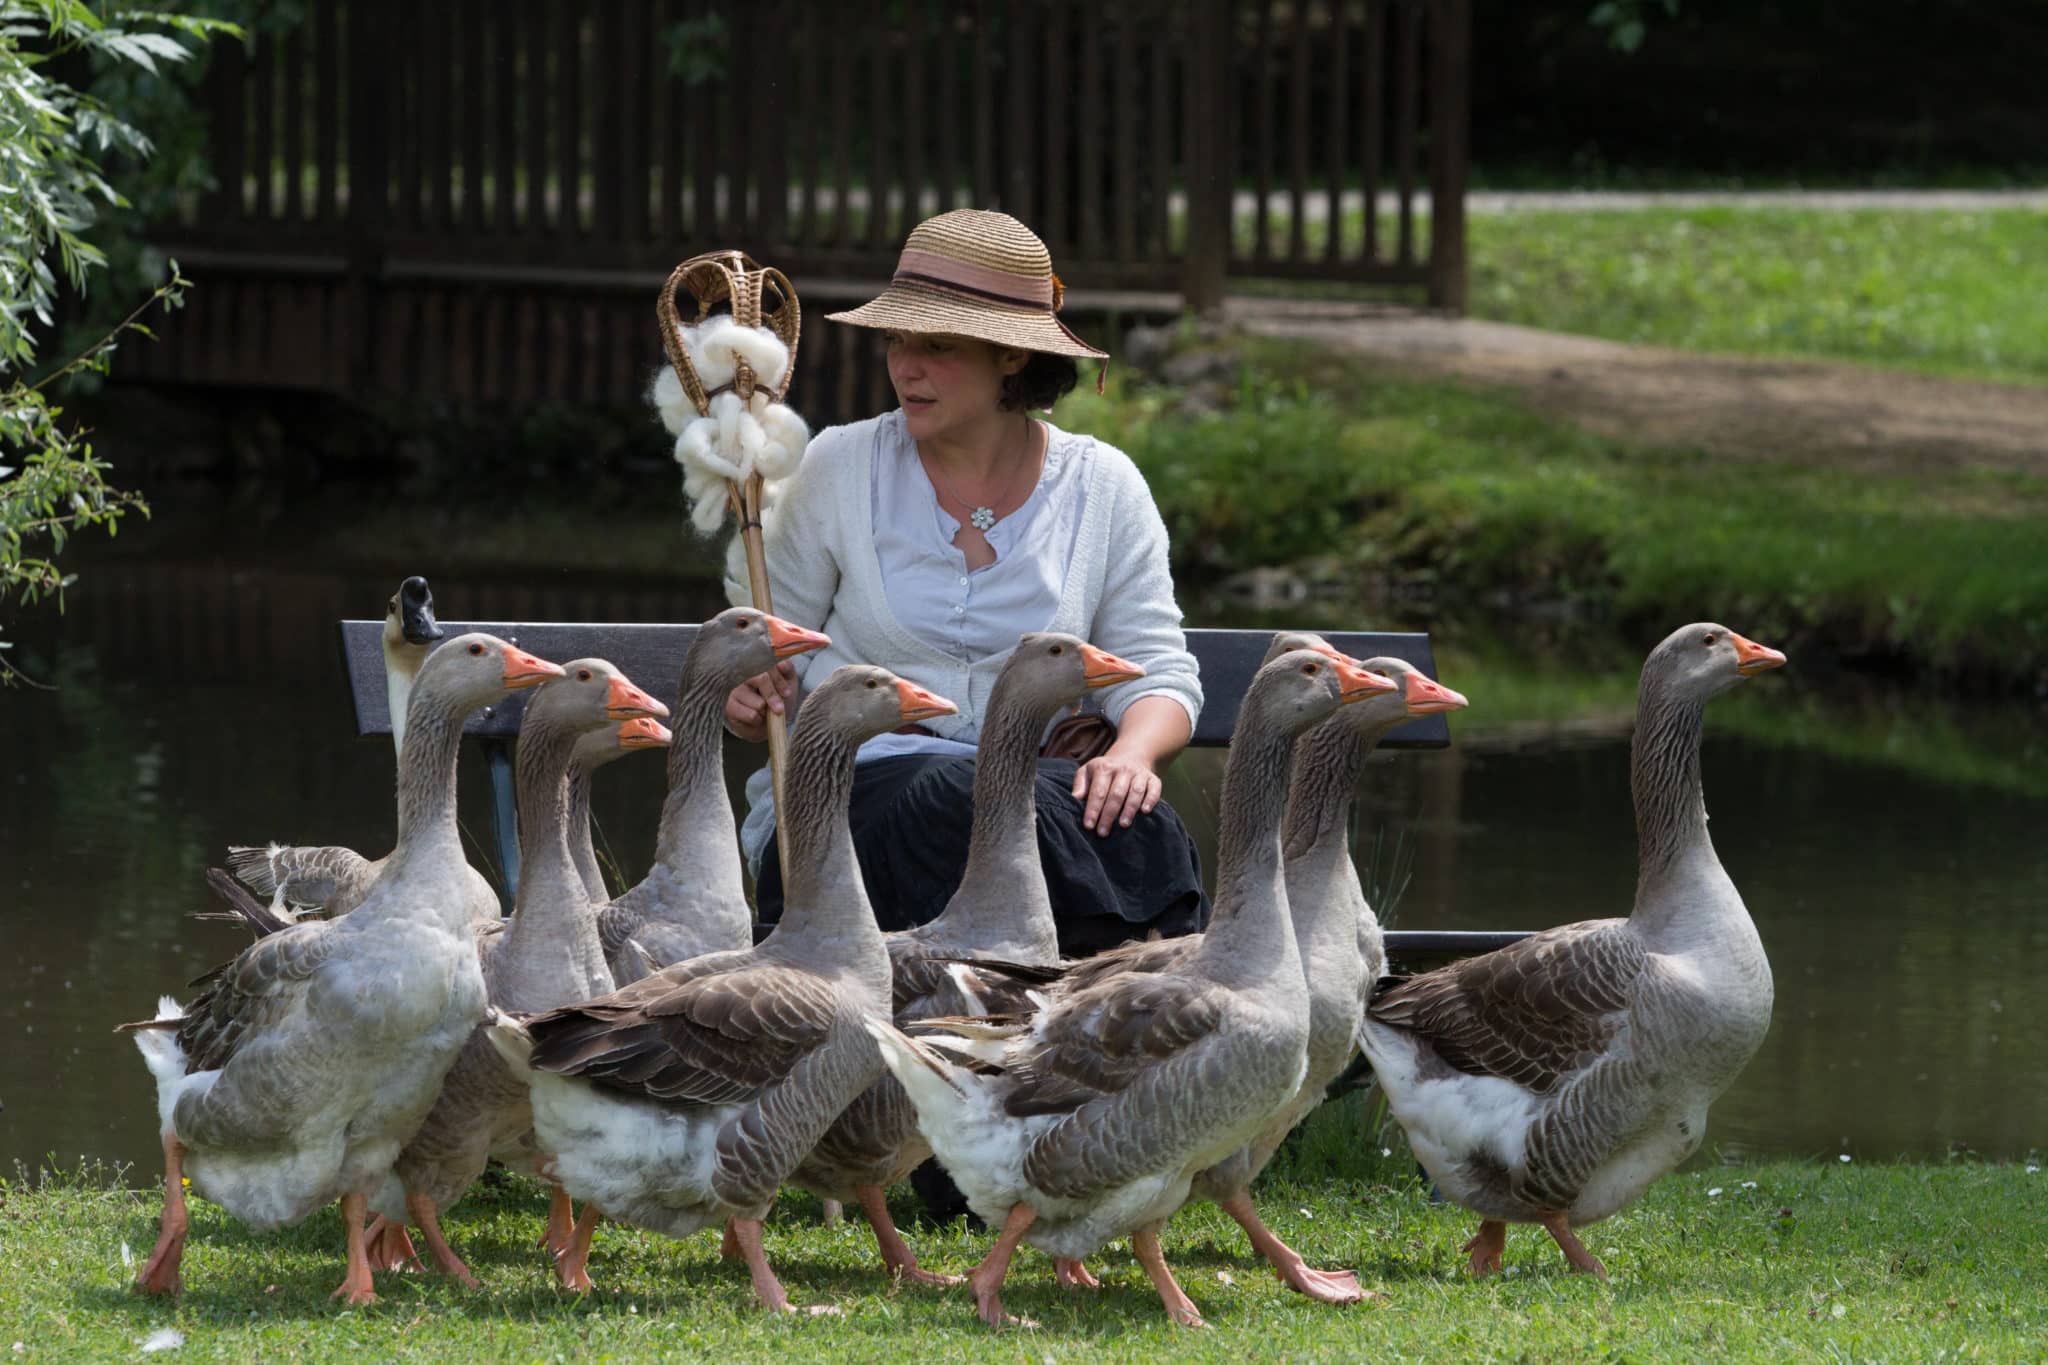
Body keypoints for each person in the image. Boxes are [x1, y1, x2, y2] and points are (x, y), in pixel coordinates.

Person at [723, 208, 1205, 957]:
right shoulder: (838, 467)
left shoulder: (1103, 485)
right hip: (851, 803)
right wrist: (751, 689)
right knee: (955, 795)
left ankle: (1090, 1004)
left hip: (1035, 800)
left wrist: (1132, 759)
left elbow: (1157, 669)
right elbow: (763, 649)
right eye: (897, 340)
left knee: (1136, 823)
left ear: (1010, 355)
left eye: (937, 346)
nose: (905, 366)